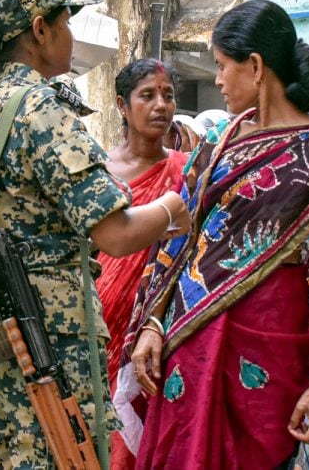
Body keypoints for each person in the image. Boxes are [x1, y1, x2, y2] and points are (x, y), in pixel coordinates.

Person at [127, 0, 309, 469]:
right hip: (190, 334)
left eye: (223, 67)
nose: (218, 80)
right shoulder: (218, 142)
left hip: (271, 334)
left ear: (257, 67)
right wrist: (153, 323)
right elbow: (180, 236)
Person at [0, 0, 191, 469]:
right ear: (40, 30)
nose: (71, 35)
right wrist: (175, 207)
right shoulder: (42, 108)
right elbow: (116, 234)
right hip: (47, 339)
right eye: (65, 22)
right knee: (65, 454)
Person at [94, 58, 188, 470]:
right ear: (122, 105)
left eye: (167, 96)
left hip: (164, 328)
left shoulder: (188, 170)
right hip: (104, 326)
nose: (160, 106)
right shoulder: (100, 172)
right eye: (147, 95)